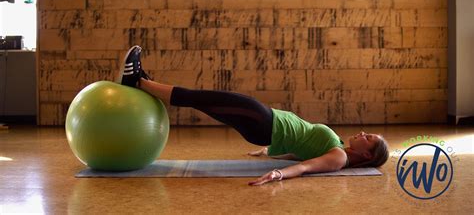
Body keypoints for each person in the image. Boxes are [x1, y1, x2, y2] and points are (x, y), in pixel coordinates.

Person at [119, 45, 389, 186]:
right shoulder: (337, 149)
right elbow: (302, 154)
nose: (363, 133)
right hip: (264, 127)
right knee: (205, 101)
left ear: (367, 154)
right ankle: (143, 82)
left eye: (369, 138)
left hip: (264, 121)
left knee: (202, 98)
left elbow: (306, 167)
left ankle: (138, 81)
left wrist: (277, 174)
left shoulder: (340, 157)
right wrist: (270, 151)